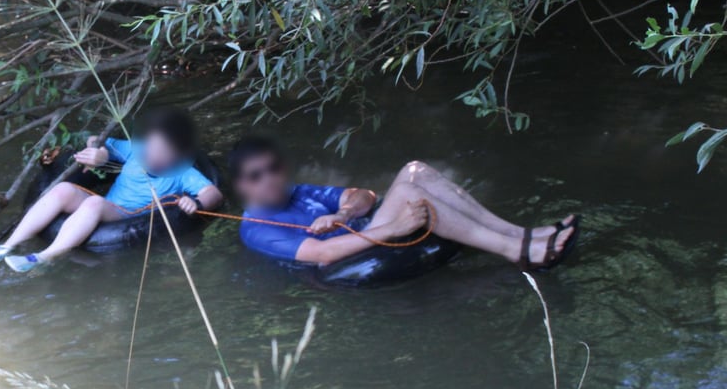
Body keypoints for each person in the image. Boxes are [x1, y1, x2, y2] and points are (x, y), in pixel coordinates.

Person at [228, 136, 579, 270]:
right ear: (243, 185)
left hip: (362, 229)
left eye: (273, 168)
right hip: (342, 262)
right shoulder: (256, 228)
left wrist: (342, 212)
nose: (270, 178)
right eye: (256, 175)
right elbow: (322, 255)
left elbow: (363, 195)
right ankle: (516, 251)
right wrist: (397, 226)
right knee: (411, 195)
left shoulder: (297, 191)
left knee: (415, 171)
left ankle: (522, 233)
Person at [0, 109, 224, 272]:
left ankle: (43, 257)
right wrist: (101, 154)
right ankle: (6, 246)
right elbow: (98, 139)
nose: (153, 156)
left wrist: (198, 204)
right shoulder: (137, 150)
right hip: (110, 204)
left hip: (130, 214)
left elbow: (213, 193)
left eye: (162, 153)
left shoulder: (184, 173)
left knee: (93, 205)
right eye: (152, 149)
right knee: (64, 188)